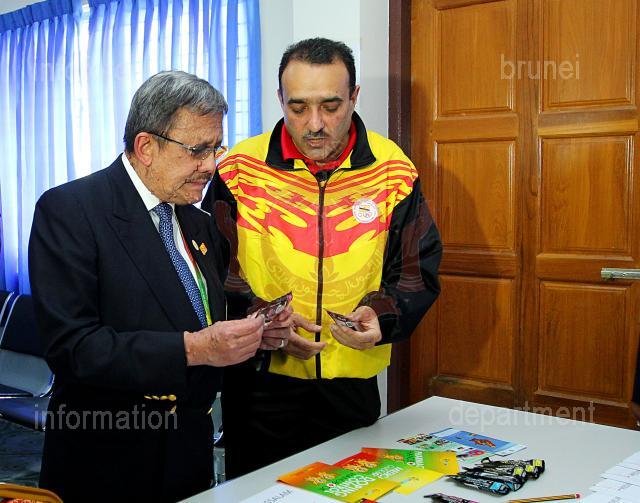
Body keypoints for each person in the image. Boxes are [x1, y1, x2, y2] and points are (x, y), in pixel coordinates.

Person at [28, 71, 283, 502]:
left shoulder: (198, 221)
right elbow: (74, 348)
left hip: (188, 455)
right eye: (197, 150)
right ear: (146, 147)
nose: (211, 166)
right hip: (109, 459)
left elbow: (201, 313)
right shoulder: (70, 211)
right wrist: (194, 349)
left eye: (216, 148)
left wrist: (256, 333)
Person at [201, 37, 443, 478]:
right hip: (258, 382)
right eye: (298, 108)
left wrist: (382, 315)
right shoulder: (239, 170)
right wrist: (261, 322)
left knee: (348, 489)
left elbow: (416, 269)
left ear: (354, 97)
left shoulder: (392, 170)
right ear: (280, 99)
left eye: (331, 106)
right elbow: (210, 270)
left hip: (349, 384)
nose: (315, 124)